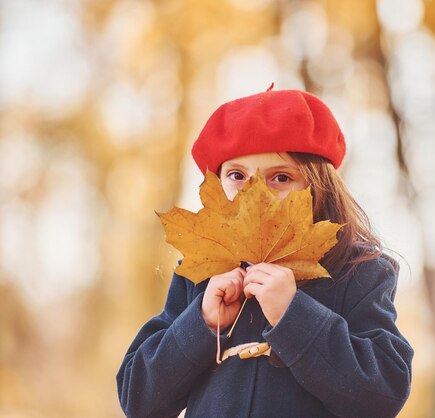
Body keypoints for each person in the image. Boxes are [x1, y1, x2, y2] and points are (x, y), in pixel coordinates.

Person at [116, 86, 414, 418]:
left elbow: (384, 393)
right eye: (236, 175)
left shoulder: (358, 271)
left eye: (281, 177)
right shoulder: (201, 273)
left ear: (318, 188)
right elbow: (138, 399)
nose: (256, 191)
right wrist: (201, 323)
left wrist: (295, 316)